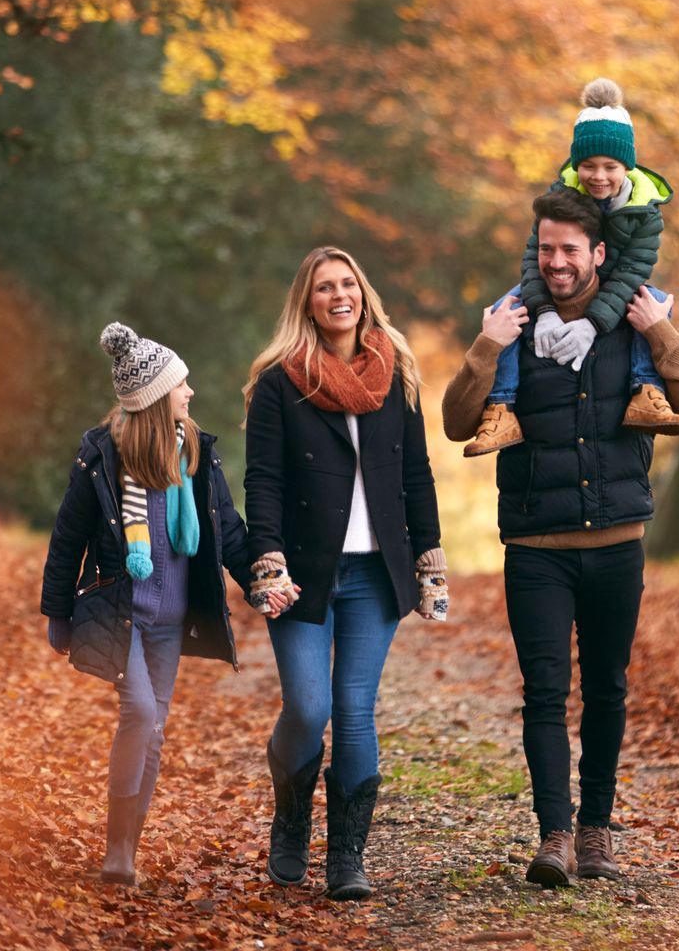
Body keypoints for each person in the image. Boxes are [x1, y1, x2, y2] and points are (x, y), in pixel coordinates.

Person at [441, 189, 679, 888]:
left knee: (607, 691)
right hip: (537, 549)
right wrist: (486, 344)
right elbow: (453, 422)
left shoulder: (633, 322)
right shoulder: (513, 324)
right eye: (547, 248)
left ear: (599, 253)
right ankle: (555, 837)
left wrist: (662, 332)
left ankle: (596, 831)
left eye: (570, 249)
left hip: (617, 544)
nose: (557, 261)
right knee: (543, 694)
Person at [38, 323, 279, 886]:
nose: (190, 393)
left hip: (172, 622)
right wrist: (57, 611)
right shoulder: (103, 460)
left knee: (156, 728)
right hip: (124, 616)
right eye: (181, 385)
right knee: (139, 714)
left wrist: (260, 583)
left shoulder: (194, 454)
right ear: (153, 399)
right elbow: (67, 537)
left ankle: (127, 847)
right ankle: (116, 847)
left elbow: (230, 534)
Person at [241, 246, 446, 901]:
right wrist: (267, 558)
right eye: (325, 287)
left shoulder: (397, 372)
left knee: (356, 710)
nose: (340, 296)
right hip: (303, 571)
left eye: (348, 284)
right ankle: (292, 818)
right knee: (309, 704)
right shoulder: (280, 381)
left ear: (363, 293)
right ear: (307, 301)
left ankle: (348, 857)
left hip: (376, 573)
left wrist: (429, 557)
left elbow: (416, 474)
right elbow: (263, 479)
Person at [464, 77, 679, 458]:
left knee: (651, 304)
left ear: (626, 167)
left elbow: (634, 270)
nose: (598, 177)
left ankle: (647, 390)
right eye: (588, 165)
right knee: (507, 309)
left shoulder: (645, 213)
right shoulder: (559, 200)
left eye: (610, 166)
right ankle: (501, 406)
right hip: (563, 285)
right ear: (576, 165)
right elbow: (534, 261)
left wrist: (593, 323)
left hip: (617, 283)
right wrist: (546, 312)